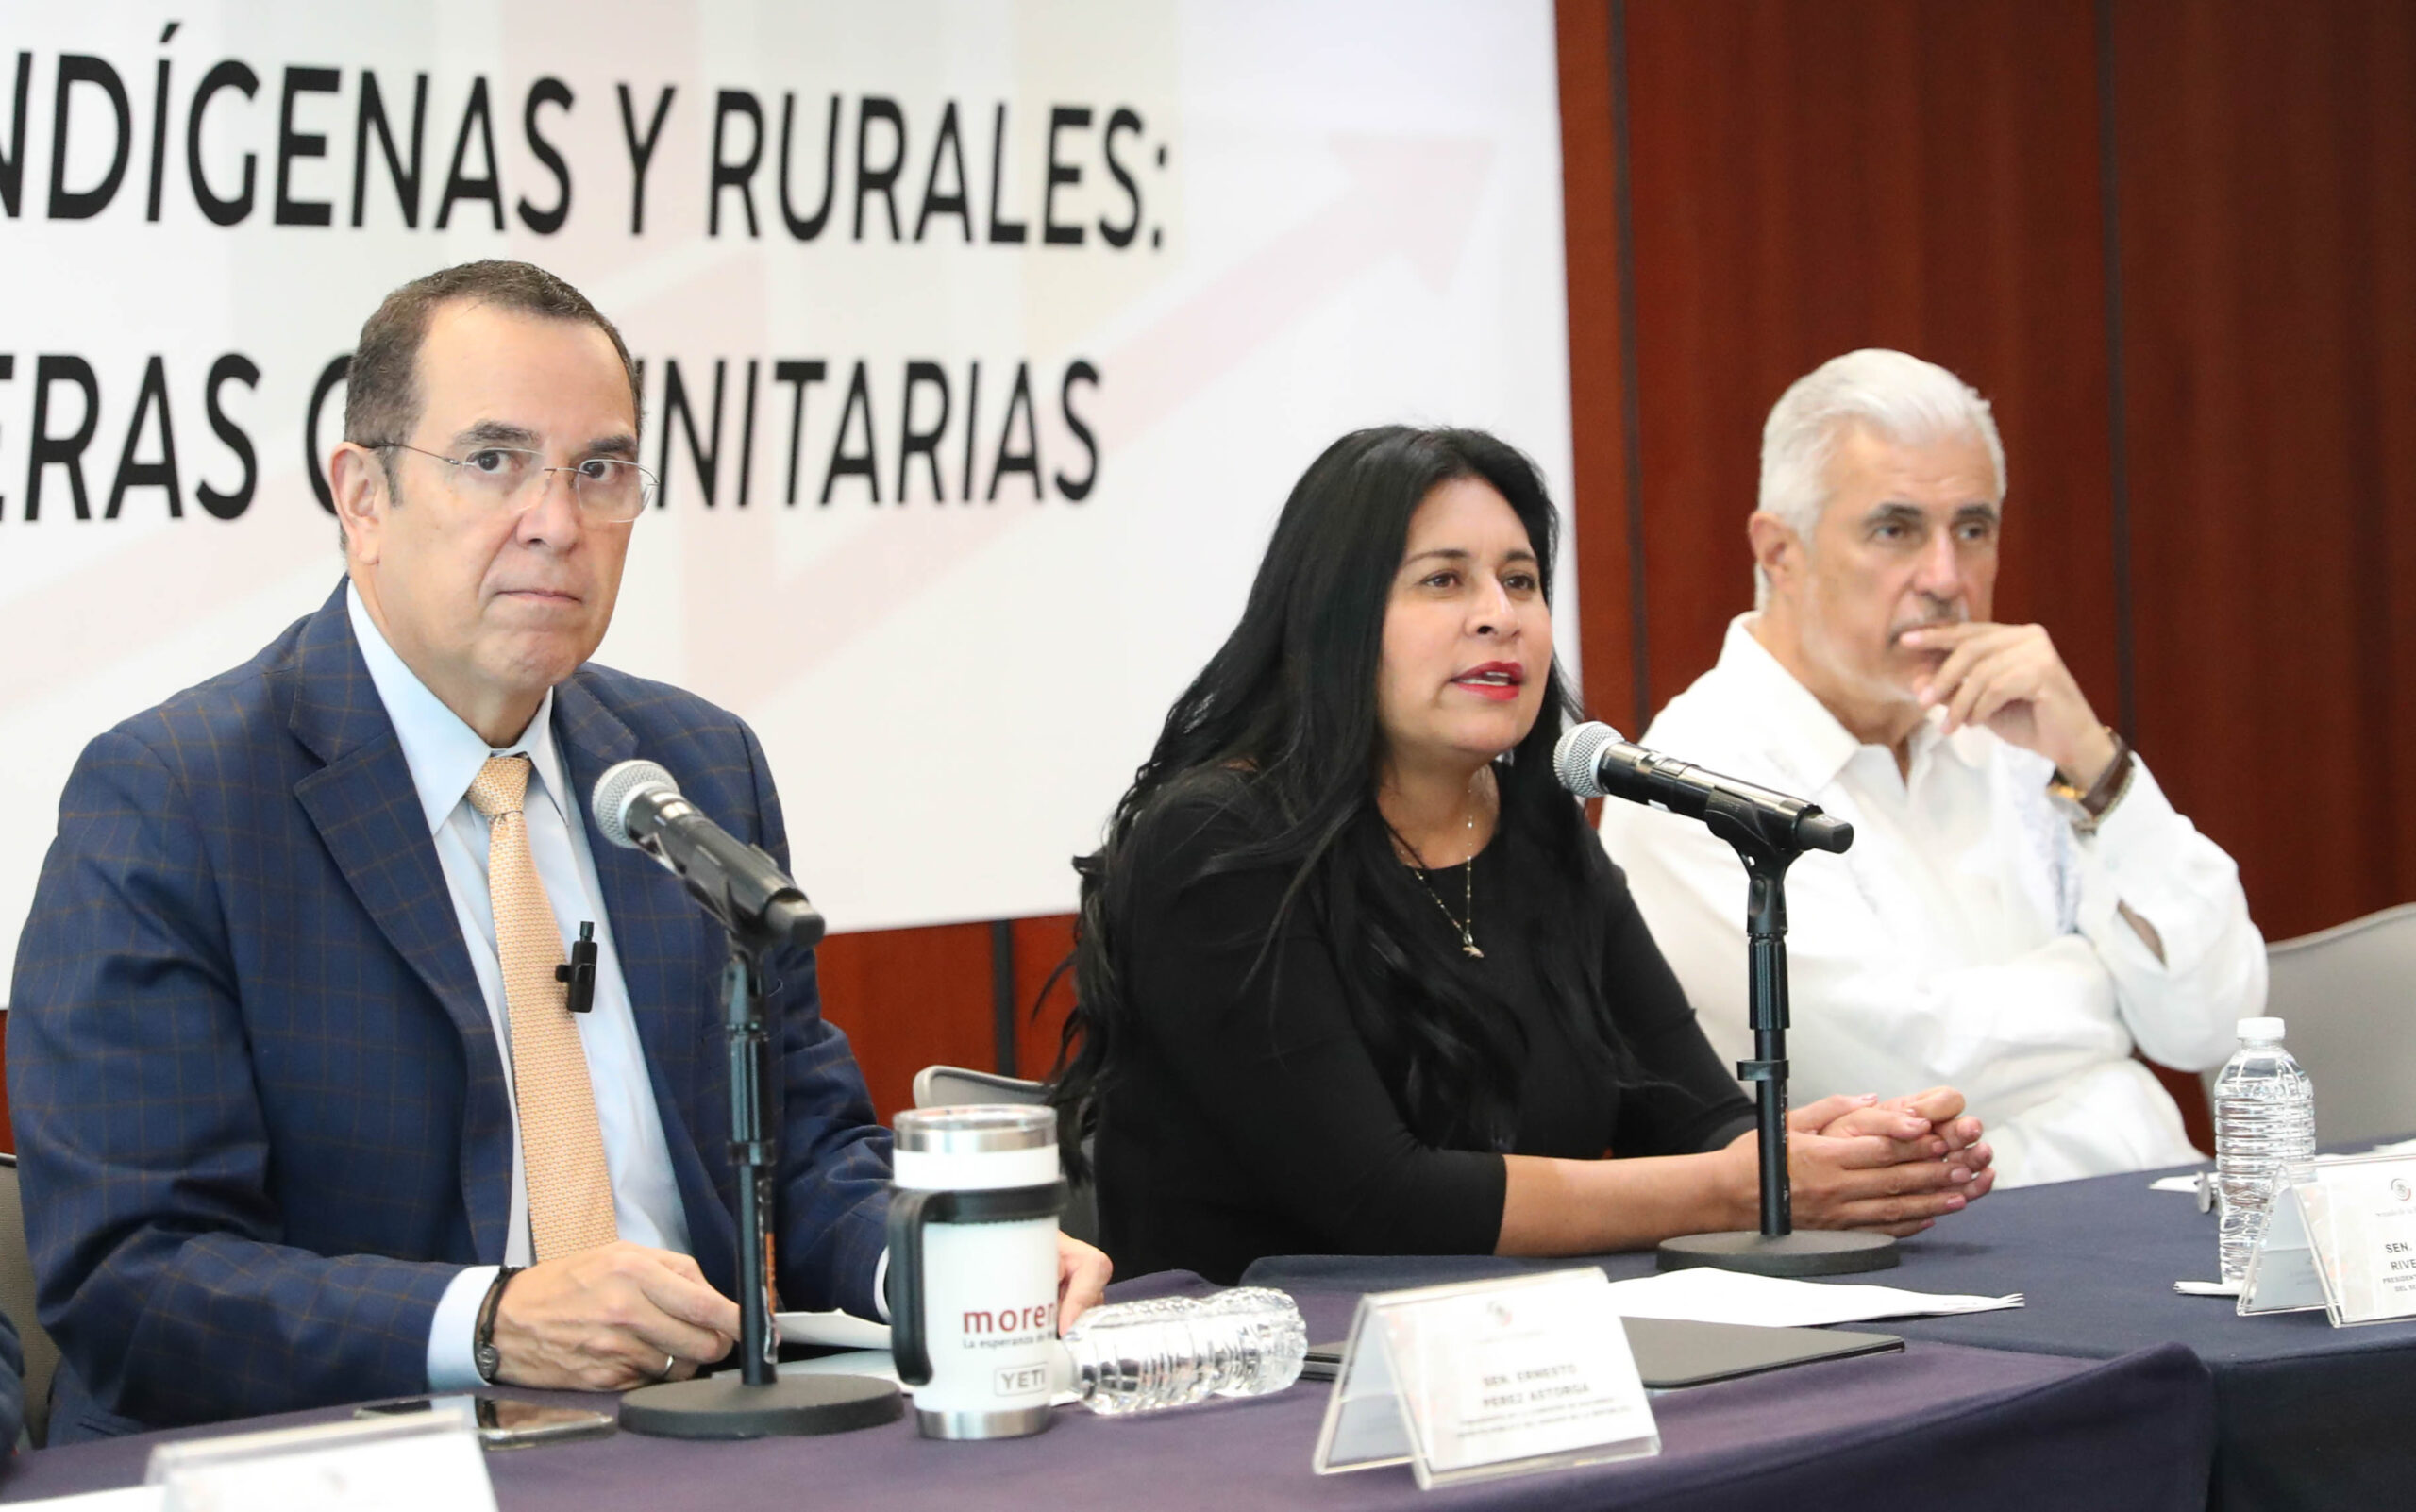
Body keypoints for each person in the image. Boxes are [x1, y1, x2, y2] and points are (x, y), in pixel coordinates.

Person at [8, 260, 1107, 1440]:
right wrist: (488, 1323)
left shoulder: (691, 770)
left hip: (690, 1449)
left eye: (600, 471)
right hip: (362, 1462)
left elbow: (800, 1151)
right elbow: (136, 1277)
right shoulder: (178, 800)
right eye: (493, 460)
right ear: (362, 496)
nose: (556, 521)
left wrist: (941, 1262)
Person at [1049, 426, 1994, 1285]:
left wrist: (1826, 1156)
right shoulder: (1220, 841)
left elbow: (1692, 1117)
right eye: (1442, 581)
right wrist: (1735, 1186)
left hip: (1518, 1357)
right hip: (1262, 1374)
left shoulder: (1538, 829)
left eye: (1521, 581)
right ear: (1334, 616)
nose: (1499, 615)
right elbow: (1379, 1199)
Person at [1600, 349, 2265, 1187]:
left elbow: (2211, 1021)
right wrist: (2111, 1011)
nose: (1946, 578)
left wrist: (2095, 766)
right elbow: (1906, 1074)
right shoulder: (1692, 777)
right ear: (1779, 552)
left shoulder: (2016, 730)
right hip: (1936, 1248)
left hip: (2159, 1207)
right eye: (1896, 530)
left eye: (1973, 530)